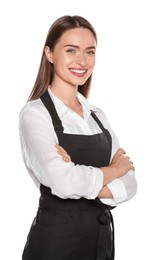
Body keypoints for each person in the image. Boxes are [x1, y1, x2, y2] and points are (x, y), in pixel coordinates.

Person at [19, 15, 137, 260]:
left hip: (100, 245)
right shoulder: (35, 114)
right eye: (71, 50)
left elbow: (131, 183)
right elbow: (63, 182)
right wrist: (113, 170)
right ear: (49, 54)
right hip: (55, 247)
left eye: (90, 52)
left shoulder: (97, 116)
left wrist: (81, 178)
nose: (82, 61)